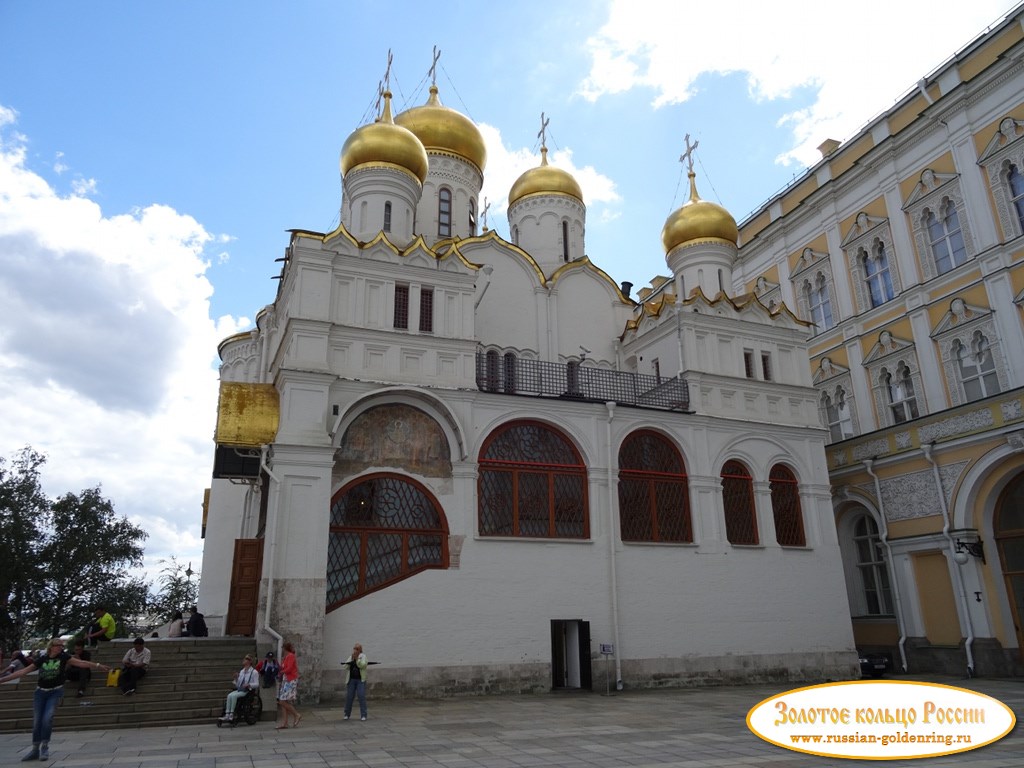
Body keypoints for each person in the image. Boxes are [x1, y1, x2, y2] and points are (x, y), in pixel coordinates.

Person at [0, 637, 109, 761]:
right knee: (37, 721)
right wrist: (3, 679)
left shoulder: (64, 657)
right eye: (58, 645)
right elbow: (23, 671)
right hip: (40, 692)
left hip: (55, 691)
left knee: (47, 718)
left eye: (62, 646)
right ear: (51, 646)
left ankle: (44, 747)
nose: (60, 647)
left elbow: (81, 663)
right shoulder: (42, 659)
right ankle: (35, 749)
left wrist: (98, 665)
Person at [219, 655, 259, 722]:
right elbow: (238, 685)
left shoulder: (254, 672)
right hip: (240, 689)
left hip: (247, 691)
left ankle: (231, 714)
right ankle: (227, 714)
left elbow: (257, 684)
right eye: (244, 658)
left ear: (250, 661)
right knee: (229, 695)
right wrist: (236, 678)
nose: (244, 660)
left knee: (234, 696)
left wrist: (249, 684)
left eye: (246, 659)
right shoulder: (242, 671)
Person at [275, 641, 301, 729]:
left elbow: (289, 669)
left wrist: (281, 672)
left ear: (285, 648)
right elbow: (284, 667)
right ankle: (285, 722)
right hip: (286, 680)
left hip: (290, 680)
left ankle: (296, 714)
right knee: (283, 701)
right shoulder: (286, 657)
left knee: (282, 701)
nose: (282, 650)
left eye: (282, 648)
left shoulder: (291, 656)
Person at [342, 643, 369, 721]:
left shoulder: (363, 656)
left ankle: (363, 715)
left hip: (360, 680)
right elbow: (345, 667)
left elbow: (363, 665)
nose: (355, 650)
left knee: (361, 696)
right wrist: (351, 659)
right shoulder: (351, 656)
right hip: (351, 680)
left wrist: (357, 660)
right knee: (349, 697)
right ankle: (346, 714)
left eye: (357, 649)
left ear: (360, 649)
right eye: (354, 648)